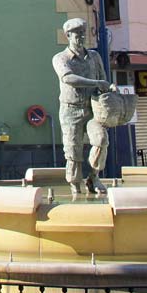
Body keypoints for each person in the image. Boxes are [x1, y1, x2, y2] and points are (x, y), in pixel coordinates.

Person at [52, 17, 117, 195]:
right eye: (76, 34)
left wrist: (110, 87)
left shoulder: (94, 57)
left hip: (92, 109)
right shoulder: (61, 58)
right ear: (68, 36)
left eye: (82, 33)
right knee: (73, 151)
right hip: (71, 111)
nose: (81, 37)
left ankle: (94, 177)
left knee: (101, 139)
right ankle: (75, 185)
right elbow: (68, 78)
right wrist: (96, 83)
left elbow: (104, 79)